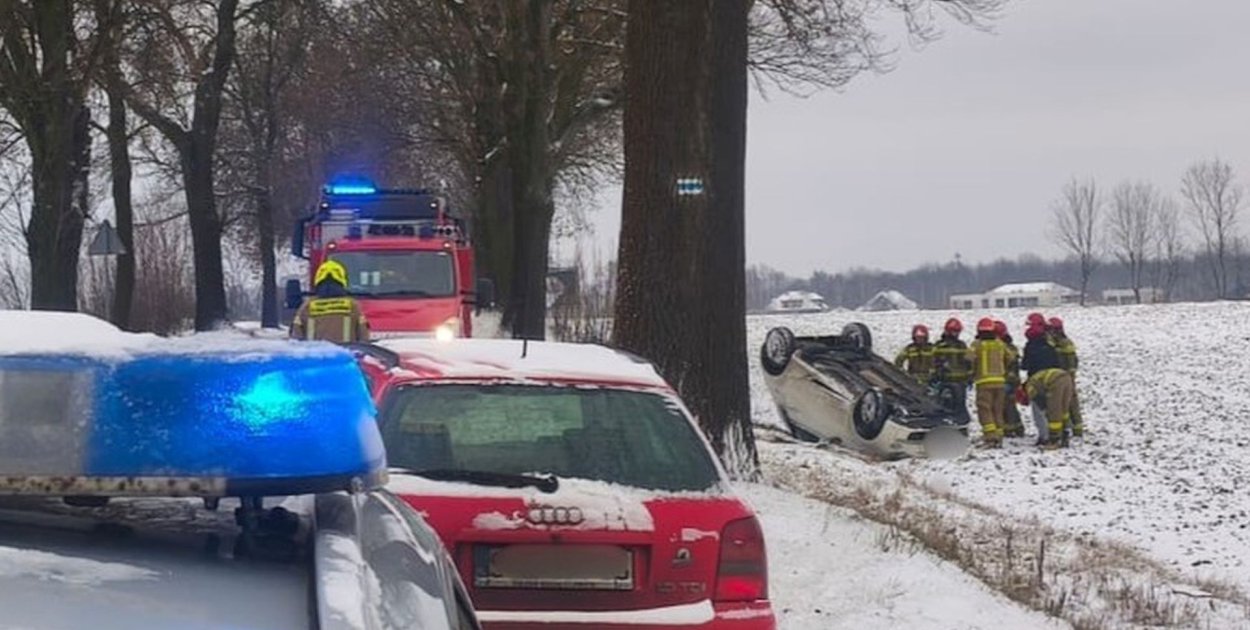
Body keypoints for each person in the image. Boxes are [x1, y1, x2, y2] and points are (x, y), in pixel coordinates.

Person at [290, 260, 370, 344]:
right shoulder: (352, 306)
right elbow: (363, 337)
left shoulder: (306, 307)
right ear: (342, 281)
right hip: (346, 355)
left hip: (314, 356)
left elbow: (296, 338)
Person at [1021, 321, 1073, 450]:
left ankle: (1052, 439)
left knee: (1053, 411)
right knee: (1063, 409)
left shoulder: (1031, 385)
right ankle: (1065, 434)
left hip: (1053, 382)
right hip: (1065, 377)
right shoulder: (1050, 346)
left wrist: (1044, 406)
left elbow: (1040, 406)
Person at [966, 317, 1011, 448]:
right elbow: (1010, 357)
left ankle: (990, 437)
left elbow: (968, 359)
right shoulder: (1000, 343)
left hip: (984, 383)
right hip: (1000, 382)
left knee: (985, 409)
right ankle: (999, 436)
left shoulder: (977, 344)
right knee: (997, 409)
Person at [1048, 317, 1084, 437]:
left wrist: (1070, 375)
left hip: (1065, 375)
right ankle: (1074, 427)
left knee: (1070, 401)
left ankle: (1075, 427)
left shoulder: (1063, 343)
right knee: (1068, 402)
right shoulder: (1059, 342)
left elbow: (1071, 361)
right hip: (1064, 375)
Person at [932, 318, 972, 421]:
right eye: (954, 331)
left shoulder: (962, 345)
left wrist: (970, 377)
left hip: (960, 382)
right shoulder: (939, 345)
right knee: (943, 405)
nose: (955, 334)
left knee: (960, 406)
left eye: (957, 331)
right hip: (944, 381)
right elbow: (933, 361)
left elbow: (968, 363)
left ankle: (962, 428)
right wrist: (934, 375)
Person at [995, 320, 1026, 438]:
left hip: (1008, 380)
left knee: (1007, 405)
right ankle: (1016, 428)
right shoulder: (1010, 347)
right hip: (1012, 379)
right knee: (1009, 405)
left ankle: (1010, 429)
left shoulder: (1003, 347)